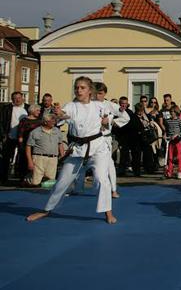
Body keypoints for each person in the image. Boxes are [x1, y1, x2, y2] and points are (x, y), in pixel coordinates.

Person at [26, 76, 117, 224]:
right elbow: (64, 114)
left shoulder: (100, 106)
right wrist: (59, 113)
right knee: (62, 181)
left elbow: (108, 121)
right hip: (78, 148)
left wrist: (107, 121)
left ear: (89, 91)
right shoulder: (71, 106)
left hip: (98, 146)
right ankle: (46, 210)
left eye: (82, 88)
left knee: (102, 179)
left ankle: (108, 212)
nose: (78, 90)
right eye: (76, 87)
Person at [93, 83, 120, 198]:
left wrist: (111, 122)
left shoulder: (110, 105)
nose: (98, 96)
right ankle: (77, 186)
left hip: (105, 138)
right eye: (96, 93)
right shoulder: (89, 105)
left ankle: (113, 189)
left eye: (100, 93)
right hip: (91, 139)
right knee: (84, 163)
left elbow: (125, 116)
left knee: (109, 164)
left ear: (104, 93)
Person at [25, 113, 64, 187]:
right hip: (39, 158)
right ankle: (27, 180)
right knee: (35, 182)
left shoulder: (57, 131)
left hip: (53, 158)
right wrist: (30, 161)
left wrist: (62, 156)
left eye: (54, 121)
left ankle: (44, 195)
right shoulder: (35, 132)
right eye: (51, 121)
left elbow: (60, 144)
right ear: (45, 122)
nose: (54, 122)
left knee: (50, 182)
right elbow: (28, 147)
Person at [0, 91, 31, 183]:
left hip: (24, 138)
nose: (17, 100)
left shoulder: (28, 108)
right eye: (15, 98)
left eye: (19, 98)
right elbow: (1, 122)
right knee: (6, 158)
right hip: (10, 137)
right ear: (12, 99)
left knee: (22, 158)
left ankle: (22, 178)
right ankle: (3, 178)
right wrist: (3, 135)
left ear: (23, 98)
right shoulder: (6, 108)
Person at [114, 97, 142, 177]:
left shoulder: (131, 113)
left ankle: (137, 171)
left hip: (134, 137)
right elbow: (115, 126)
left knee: (136, 155)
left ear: (127, 104)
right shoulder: (116, 114)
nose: (123, 105)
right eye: (122, 103)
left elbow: (138, 125)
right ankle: (121, 171)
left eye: (125, 103)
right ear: (119, 104)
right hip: (123, 137)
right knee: (123, 155)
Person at [163, 105, 181, 179]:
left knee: (179, 157)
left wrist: (177, 135)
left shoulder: (179, 120)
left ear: (176, 112)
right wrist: (165, 135)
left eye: (172, 112)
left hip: (178, 141)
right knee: (170, 157)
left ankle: (180, 172)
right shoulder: (168, 120)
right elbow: (166, 130)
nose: (171, 113)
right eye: (170, 112)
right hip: (170, 142)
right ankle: (169, 172)